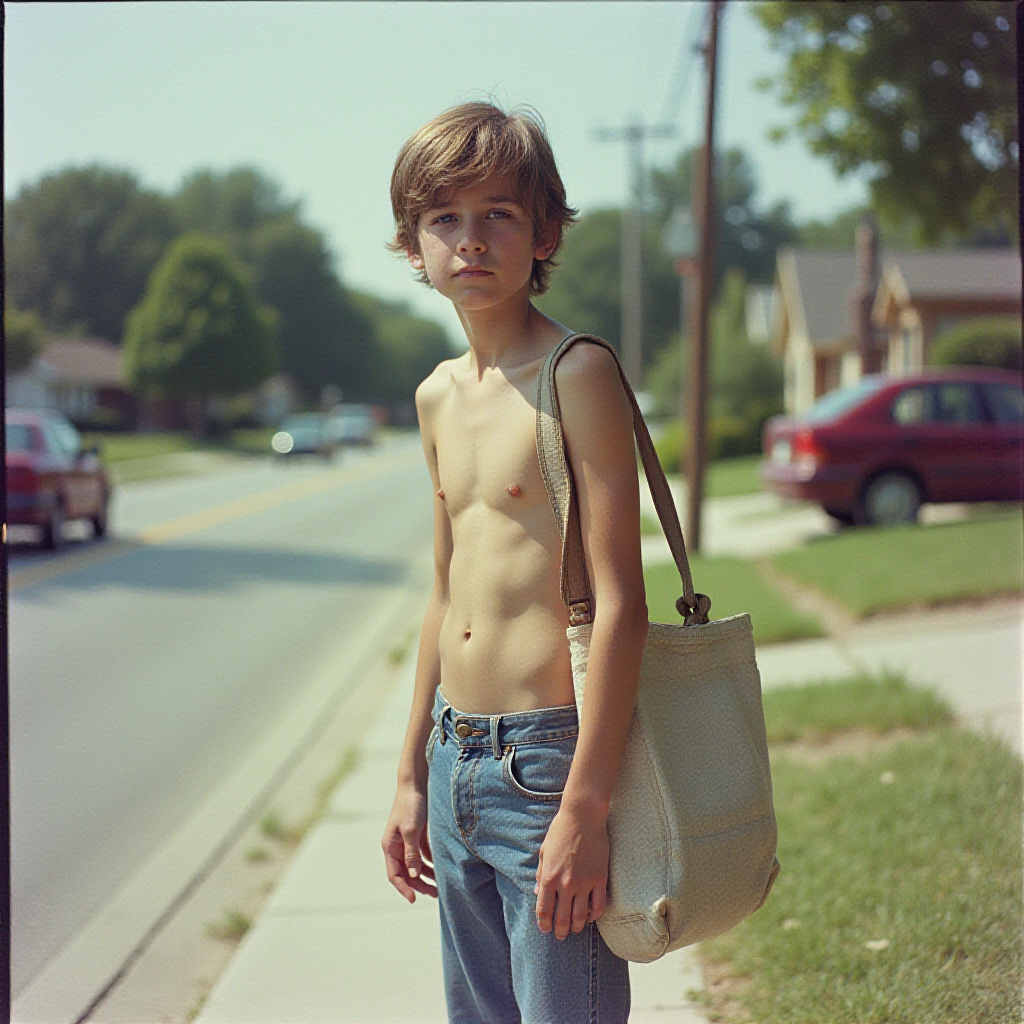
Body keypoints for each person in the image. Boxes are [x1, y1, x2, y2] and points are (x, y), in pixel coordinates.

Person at [381, 102, 648, 1024]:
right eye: (444, 218)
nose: (471, 239)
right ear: (413, 244)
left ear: (543, 234)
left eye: (498, 213)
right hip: (453, 753)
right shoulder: (435, 396)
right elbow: (444, 590)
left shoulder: (576, 374)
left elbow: (621, 604)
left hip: (546, 765)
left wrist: (585, 806)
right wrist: (411, 773)